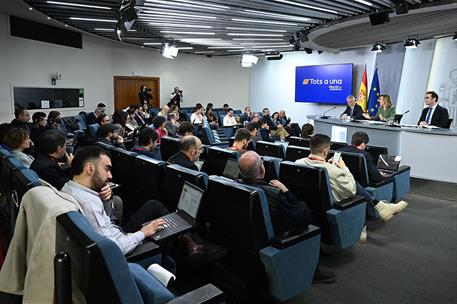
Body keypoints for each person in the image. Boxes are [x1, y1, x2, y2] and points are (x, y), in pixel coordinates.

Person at [238, 151, 335, 283]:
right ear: (261, 169)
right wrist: (285, 190)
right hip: (275, 237)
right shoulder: (273, 193)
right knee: (310, 224)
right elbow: (303, 217)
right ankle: (313, 271)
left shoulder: (237, 185)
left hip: (248, 237)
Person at [61, 146, 167, 255]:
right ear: (90, 169)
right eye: (107, 169)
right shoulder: (89, 203)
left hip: (120, 234)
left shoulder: (68, 187)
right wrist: (143, 233)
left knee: (152, 205)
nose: (110, 175)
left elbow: (107, 222)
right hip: (122, 250)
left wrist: (106, 198)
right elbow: (114, 249)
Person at [295, 134, 407, 223]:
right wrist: (344, 168)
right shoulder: (332, 169)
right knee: (355, 184)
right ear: (326, 151)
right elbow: (351, 190)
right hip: (330, 201)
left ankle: (379, 207)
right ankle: (380, 206)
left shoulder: (298, 162)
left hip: (309, 201)